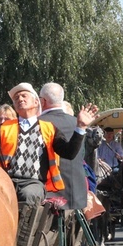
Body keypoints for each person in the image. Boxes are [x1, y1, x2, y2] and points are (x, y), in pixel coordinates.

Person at [0, 82, 98, 207]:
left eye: (24, 96)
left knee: (29, 195)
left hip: (33, 183)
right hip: (5, 181)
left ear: (37, 102)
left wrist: (80, 127)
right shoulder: (3, 128)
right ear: (14, 106)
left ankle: (21, 227)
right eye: (16, 98)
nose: (20, 99)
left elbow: (69, 153)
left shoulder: (49, 128)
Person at [37, 82, 90, 211]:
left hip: (50, 196)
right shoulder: (77, 123)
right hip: (78, 195)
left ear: (42, 101)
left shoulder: (39, 124)